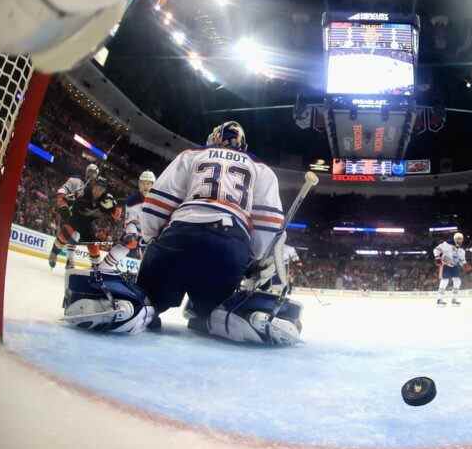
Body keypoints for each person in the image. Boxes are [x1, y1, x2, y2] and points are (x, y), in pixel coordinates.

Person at [62, 121, 302, 344]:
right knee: (211, 312)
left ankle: (132, 307)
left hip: (179, 237)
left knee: (148, 297)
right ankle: (239, 316)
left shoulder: (191, 155)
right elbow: (269, 221)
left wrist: (153, 239)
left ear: (214, 139)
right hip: (229, 246)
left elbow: (157, 203)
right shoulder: (261, 169)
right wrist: (253, 257)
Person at [48, 167, 121, 270]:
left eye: (101, 189)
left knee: (93, 245)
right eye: (96, 187)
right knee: (67, 234)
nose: (97, 191)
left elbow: (116, 212)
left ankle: (96, 268)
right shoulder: (80, 188)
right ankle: (56, 254)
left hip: (88, 222)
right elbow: (63, 196)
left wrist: (116, 211)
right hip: (74, 217)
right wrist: (63, 206)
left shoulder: (107, 199)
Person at [96, 170, 156, 280]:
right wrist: (134, 235)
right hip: (137, 230)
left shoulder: (159, 200)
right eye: (143, 183)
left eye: (148, 183)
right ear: (139, 184)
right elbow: (130, 223)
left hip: (152, 233)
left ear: (153, 185)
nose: (145, 186)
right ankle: (102, 269)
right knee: (130, 241)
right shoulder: (132, 201)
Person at [434, 232, 468, 306]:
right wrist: (437, 258)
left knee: (457, 281)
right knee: (445, 281)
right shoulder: (446, 245)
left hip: (455, 266)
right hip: (446, 265)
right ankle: (439, 299)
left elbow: (462, 260)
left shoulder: (462, 250)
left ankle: (454, 299)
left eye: (461, 239)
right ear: (455, 239)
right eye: (458, 239)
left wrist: (465, 265)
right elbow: (436, 250)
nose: (460, 241)